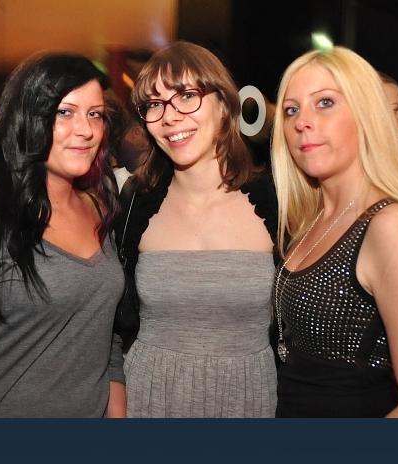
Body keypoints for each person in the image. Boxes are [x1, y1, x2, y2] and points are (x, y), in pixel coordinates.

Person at [0, 53, 126, 418]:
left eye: (95, 114)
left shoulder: (100, 208)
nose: (85, 129)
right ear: (27, 116)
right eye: (65, 112)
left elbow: (106, 332)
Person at [271, 46, 398, 417]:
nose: (302, 121)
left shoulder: (393, 227)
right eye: (291, 110)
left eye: (325, 102)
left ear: (366, 114)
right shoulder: (313, 219)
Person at [117, 41, 278, 418]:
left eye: (187, 96)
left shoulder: (277, 199)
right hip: (149, 402)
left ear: (225, 105)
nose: (169, 117)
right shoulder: (135, 201)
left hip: (247, 404)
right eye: (154, 104)